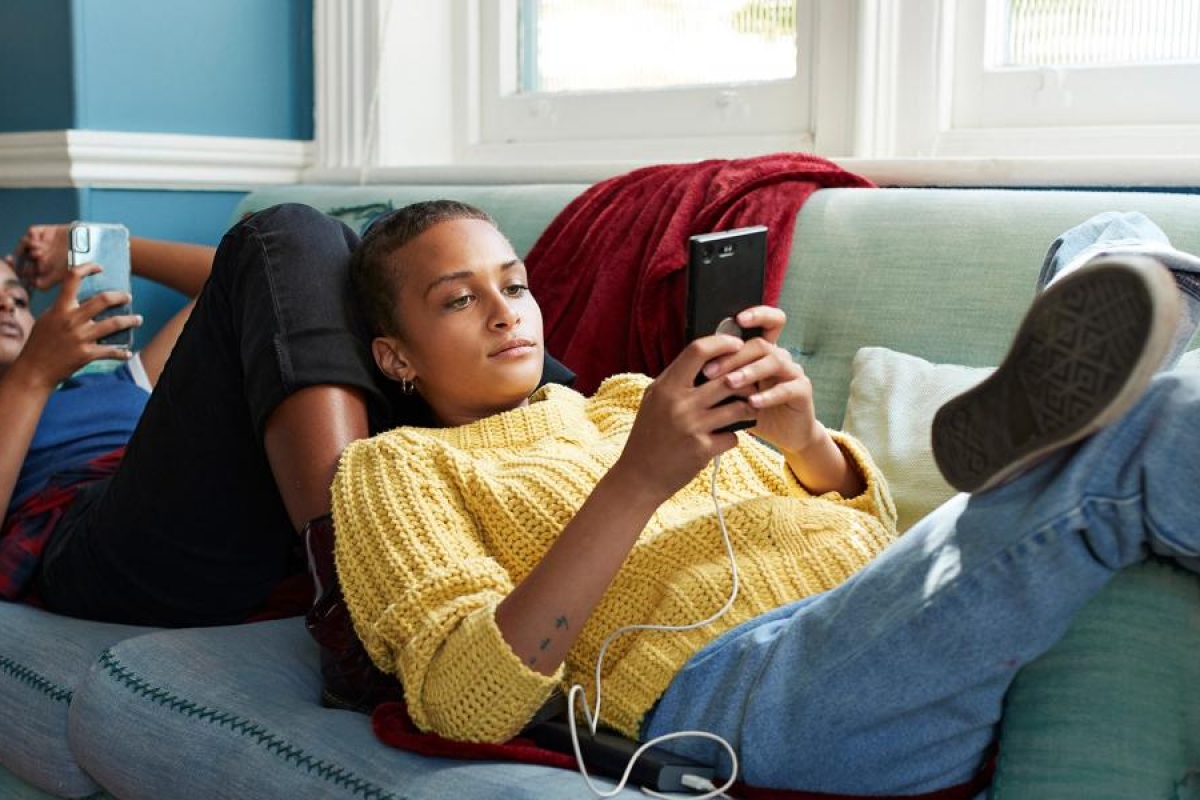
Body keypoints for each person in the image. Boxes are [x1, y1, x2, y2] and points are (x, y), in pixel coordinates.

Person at [328, 199, 1200, 796]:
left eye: (514, 285)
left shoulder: (635, 398)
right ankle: (1062, 438)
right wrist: (637, 481)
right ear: (396, 357)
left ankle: (1084, 377)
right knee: (1150, 432)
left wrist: (804, 440)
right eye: (458, 299)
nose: (504, 312)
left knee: (1109, 234)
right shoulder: (395, 468)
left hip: (877, 605)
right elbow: (459, 701)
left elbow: (861, 531)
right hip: (746, 686)